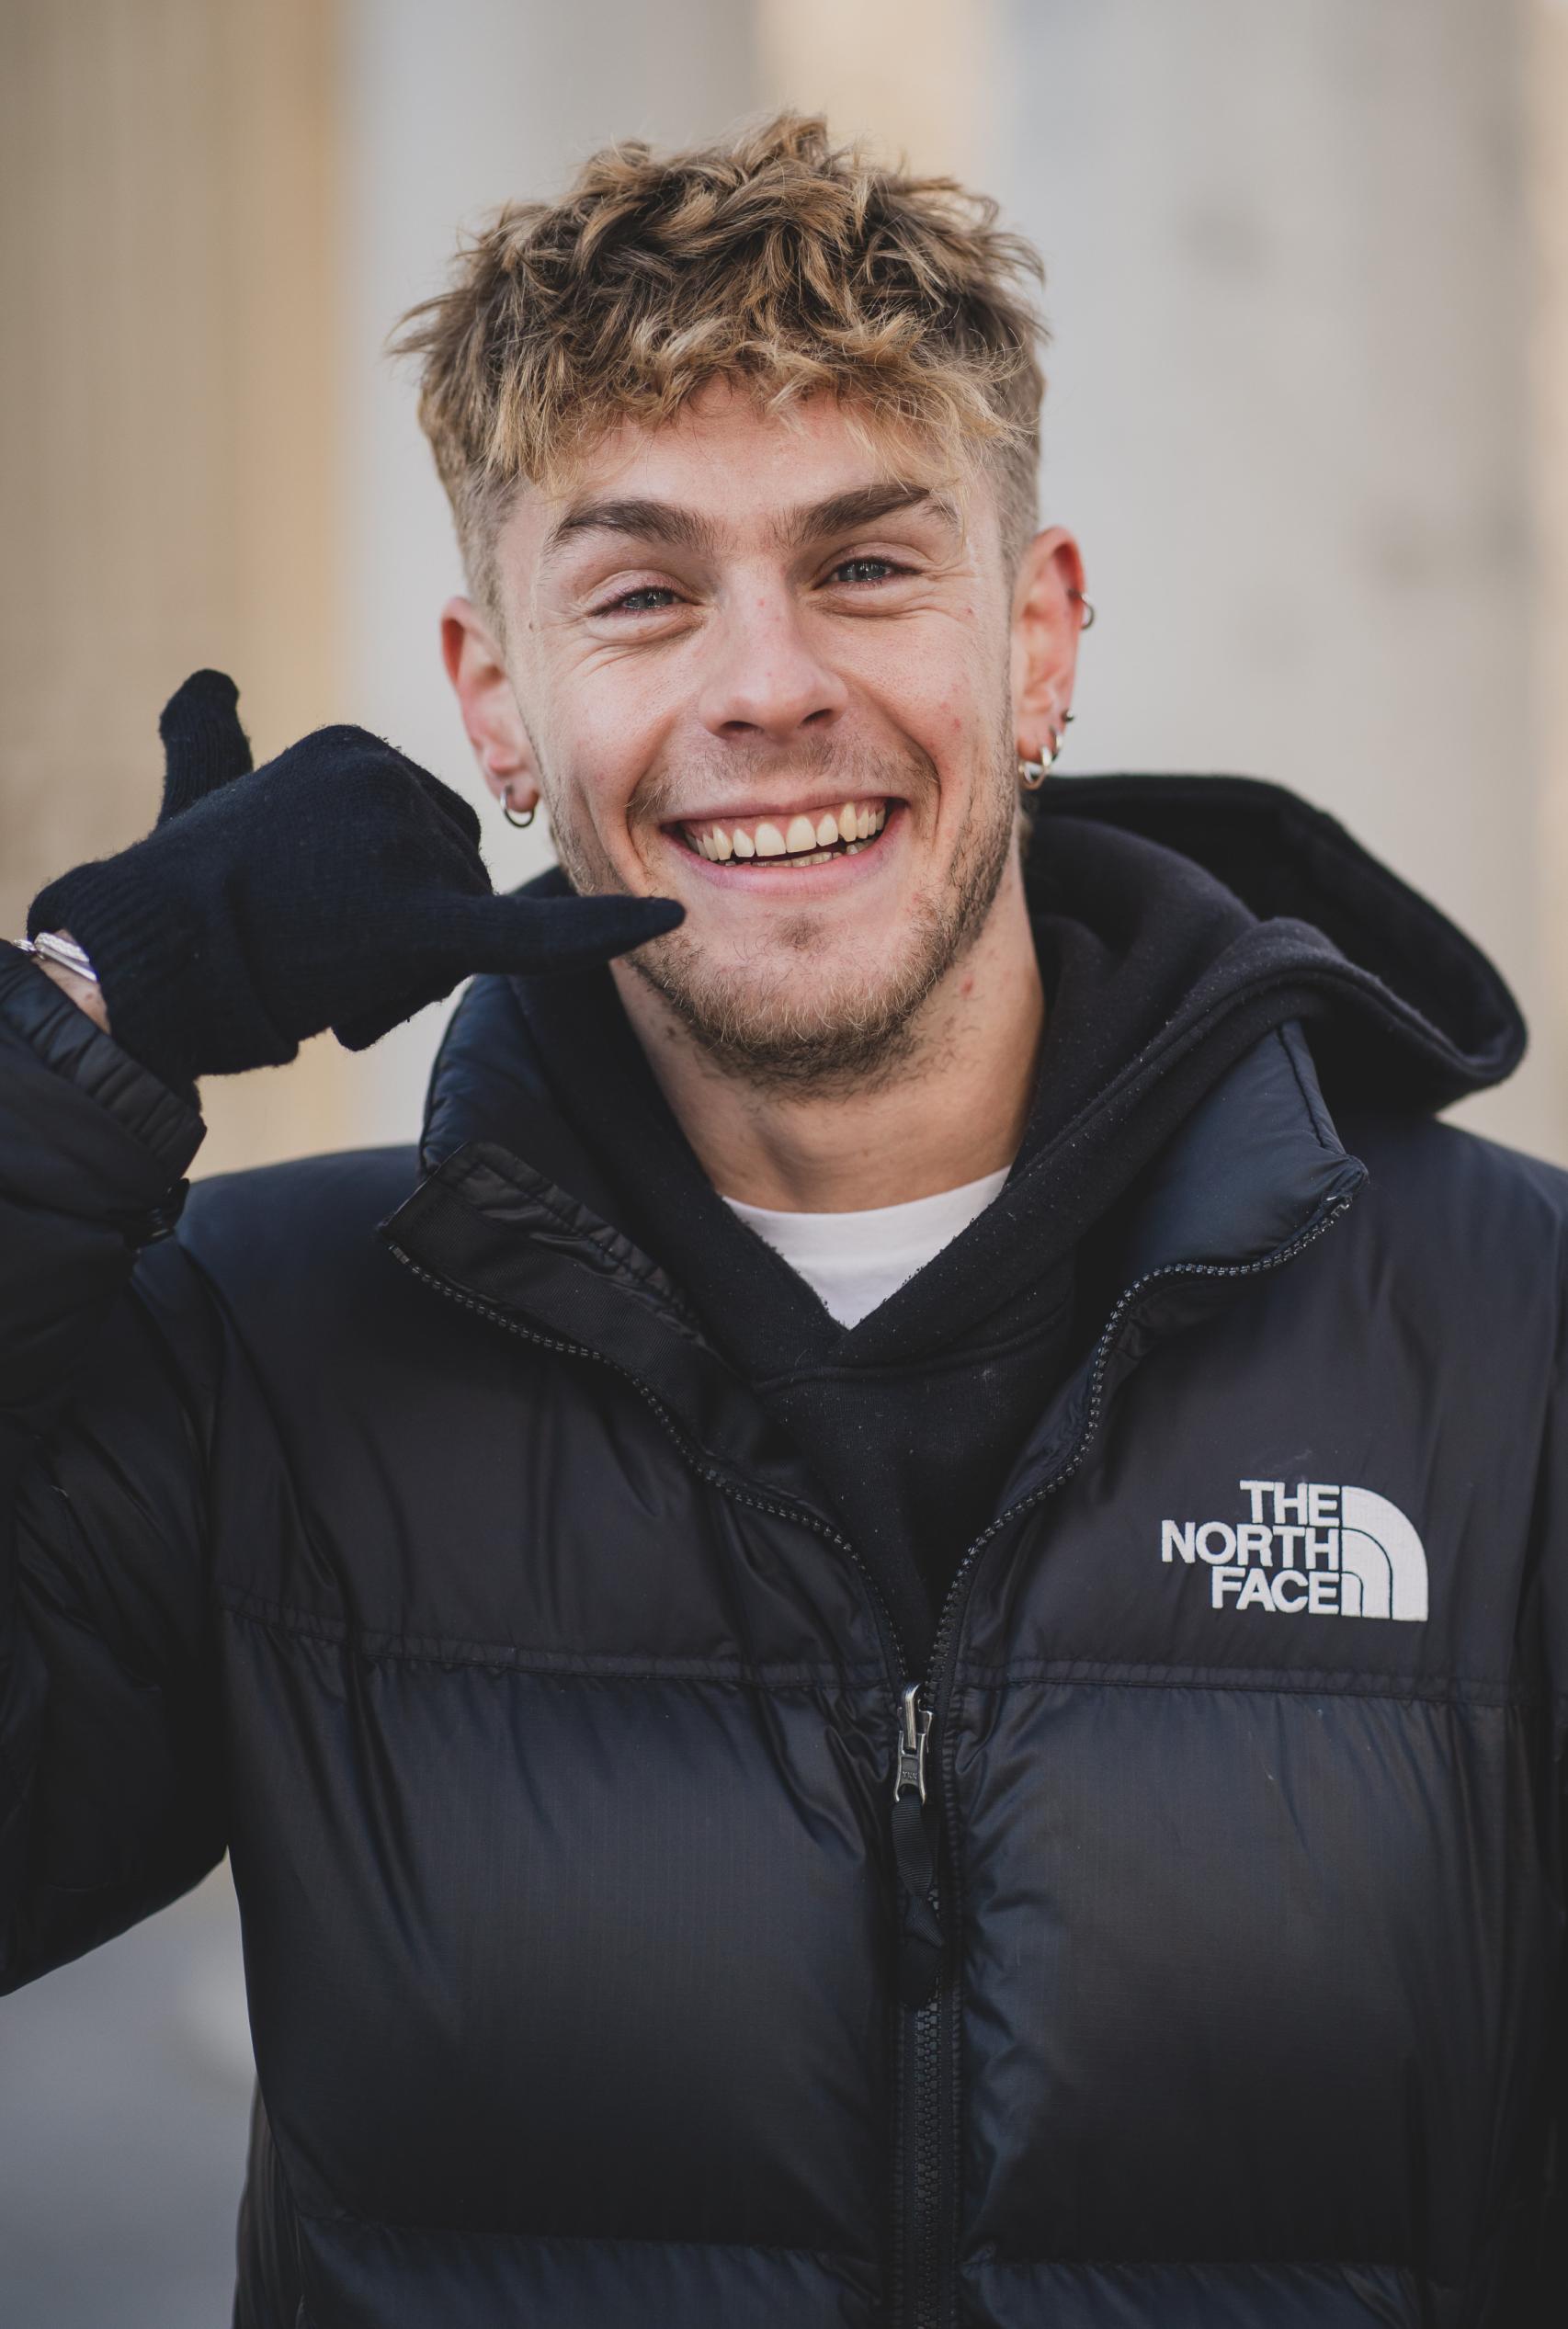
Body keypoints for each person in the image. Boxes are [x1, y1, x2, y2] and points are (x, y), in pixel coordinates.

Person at [2, 108, 1563, 2329]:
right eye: (640, 591)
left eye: (865, 565)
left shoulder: (1509, 1340)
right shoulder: (269, 1351)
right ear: (494, 704)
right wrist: (74, 1033)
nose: (765, 686)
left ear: (1037, 638)